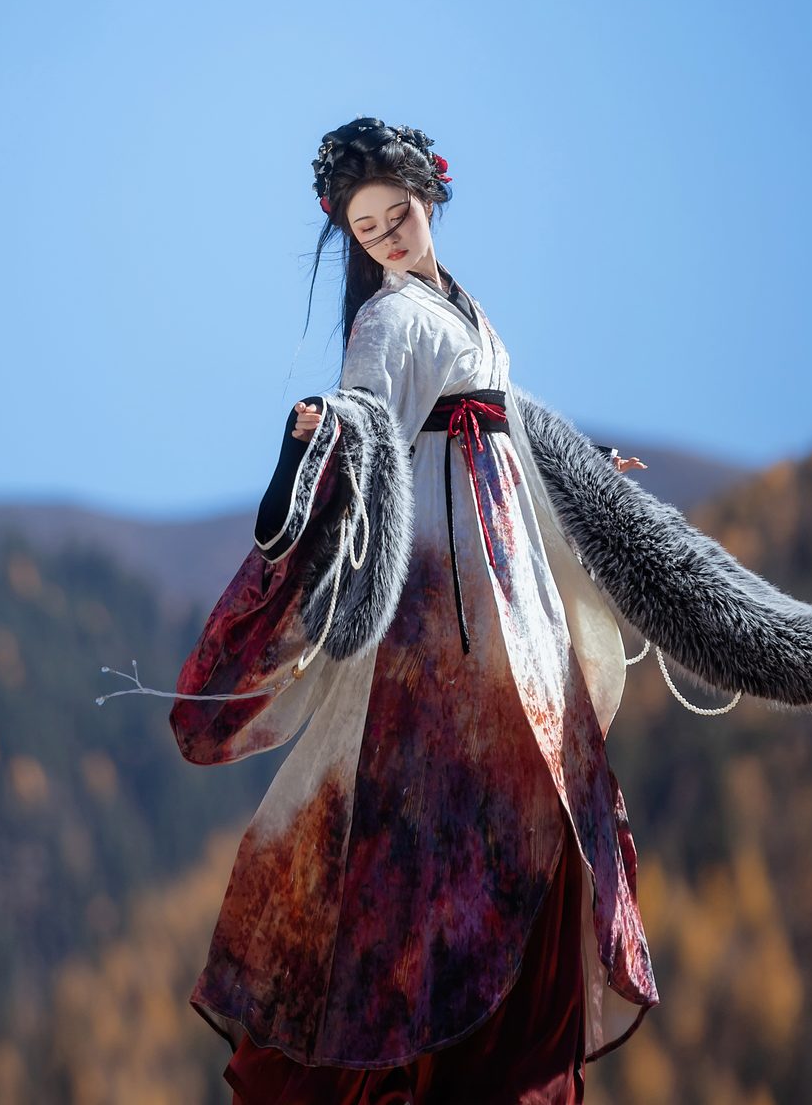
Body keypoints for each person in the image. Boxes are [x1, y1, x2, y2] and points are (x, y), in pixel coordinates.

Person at [169, 117, 663, 1103]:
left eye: (397, 215)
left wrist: (585, 471)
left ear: (428, 199)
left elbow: (505, 434)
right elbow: (364, 417)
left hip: (505, 591)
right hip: (441, 606)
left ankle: (487, 1057)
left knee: (531, 807)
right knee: (442, 830)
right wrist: (319, 441)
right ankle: (425, 1067)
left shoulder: (471, 315)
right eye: (368, 228)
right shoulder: (388, 321)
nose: (388, 236)